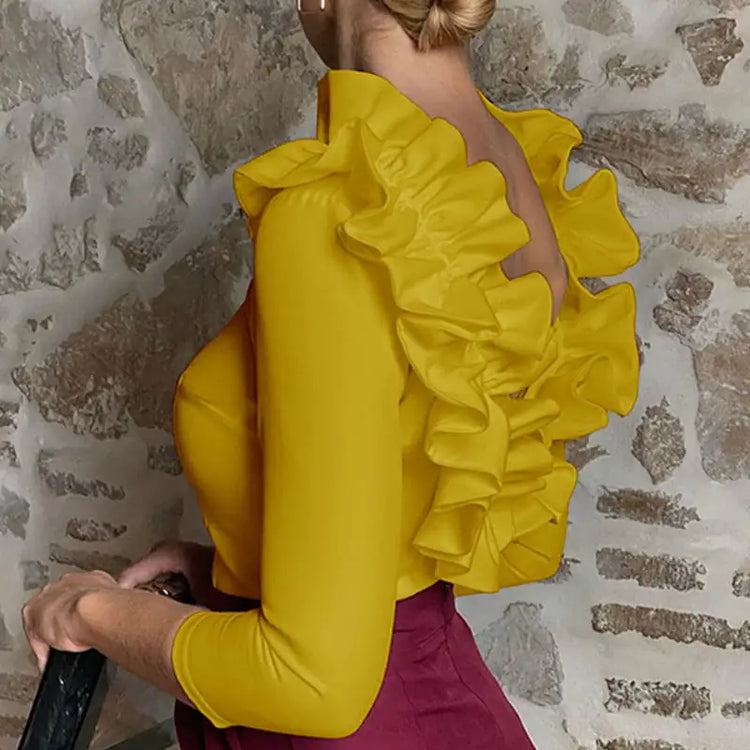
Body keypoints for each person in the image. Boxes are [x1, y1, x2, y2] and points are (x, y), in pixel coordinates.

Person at [21, 0, 640, 747]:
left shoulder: (342, 215)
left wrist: (86, 610)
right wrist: (229, 567)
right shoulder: (502, 177)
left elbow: (314, 683)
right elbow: (396, 502)